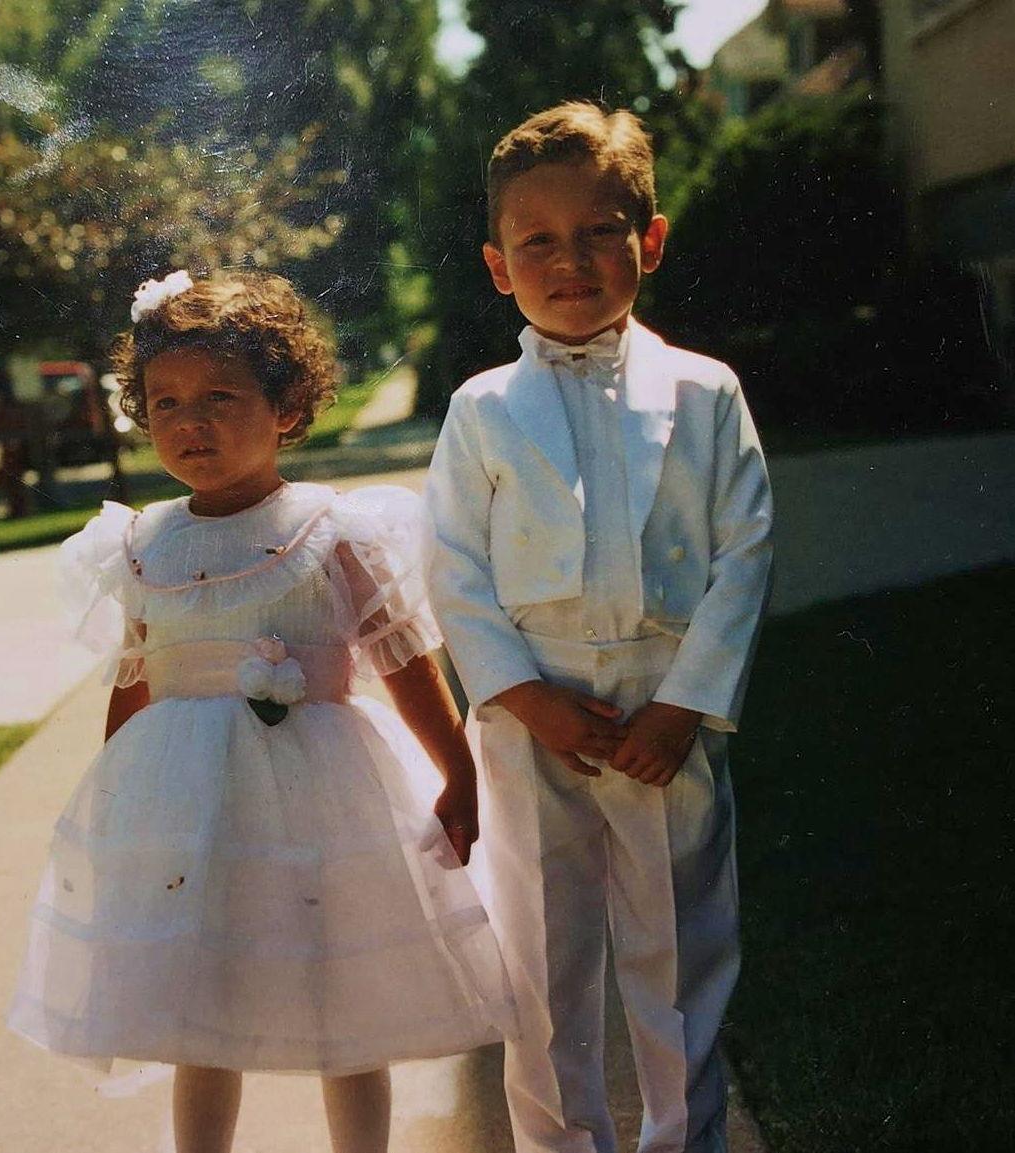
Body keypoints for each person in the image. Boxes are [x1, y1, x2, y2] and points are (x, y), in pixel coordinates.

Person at [9, 270, 516, 1153]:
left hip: (323, 798)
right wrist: (116, 818)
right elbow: (135, 676)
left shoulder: (332, 529)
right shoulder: (140, 544)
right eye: (164, 402)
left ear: (285, 406)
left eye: (219, 397)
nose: (189, 421)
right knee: (200, 1003)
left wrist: (456, 766)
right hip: (190, 812)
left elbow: (400, 655)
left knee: (343, 994)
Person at [425, 102, 774, 1153]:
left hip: (665, 711)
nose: (568, 260)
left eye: (598, 231)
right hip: (533, 718)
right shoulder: (480, 410)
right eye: (537, 240)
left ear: (648, 241)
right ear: (498, 265)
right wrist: (522, 697)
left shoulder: (706, 393)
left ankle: (686, 1140)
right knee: (543, 964)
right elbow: (453, 568)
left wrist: (683, 706)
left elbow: (744, 550)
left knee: (678, 962)